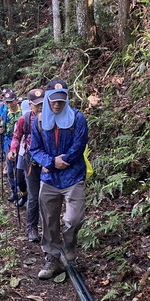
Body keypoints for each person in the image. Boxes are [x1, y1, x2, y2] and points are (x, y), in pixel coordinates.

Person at [30, 79, 88, 279]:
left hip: (73, 175)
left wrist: (64, 160)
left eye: (61, 100)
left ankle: (70, 242)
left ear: (66, 99)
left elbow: (79, 144)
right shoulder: (38, 122)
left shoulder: (78, 119)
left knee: (74, 218)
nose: (57, 104)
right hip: (49, 178)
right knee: (49, 220)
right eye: (53, 101)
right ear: (47, 100)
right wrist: (51, 161)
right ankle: (52, 257)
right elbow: (34, 149)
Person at [9, 88, 45, 242]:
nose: (40, 107)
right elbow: (16, 136)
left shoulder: (52, 118)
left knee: (49, 196)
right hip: (30, 161)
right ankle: (32, 227)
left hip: (48, 161)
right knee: (34, 195)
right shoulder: (24, 119)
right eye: (37, 105)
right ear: (30, 105)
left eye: (43, 104)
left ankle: (51, 228)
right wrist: (12, 150)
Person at [0, 90, 22, 202]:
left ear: (16, 100)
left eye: (11, 101)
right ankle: (14, 191)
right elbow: (2, 127)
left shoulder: (23, 113)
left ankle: (23, 191)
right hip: (8, 141)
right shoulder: (5, 114)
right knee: (10, 168)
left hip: (21, 143)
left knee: (20, 169)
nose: (9, 104)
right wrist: (0, 129)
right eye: (7, 102)